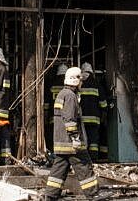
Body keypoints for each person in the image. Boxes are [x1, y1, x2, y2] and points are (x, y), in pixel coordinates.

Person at [48, 66, 100, 198]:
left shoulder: (62, 94)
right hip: (71, 144)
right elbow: (70, 119)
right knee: (85, 167)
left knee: (58, 171)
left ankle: (50, 195)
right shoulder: (70, 96)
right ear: (75, 81)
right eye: (80, 80)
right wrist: (75, 138)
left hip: (61, 143)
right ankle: (93, 195)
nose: (82, 83)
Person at [79, 63, 109, 159]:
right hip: (94, 120)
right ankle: (94, 160)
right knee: (93, 142)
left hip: (81, 119)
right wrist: (104, 117)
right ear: (91, 72)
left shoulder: (79, 84)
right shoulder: (97, 84)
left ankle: (84, 160)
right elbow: (103, 104)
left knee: (83, 140)